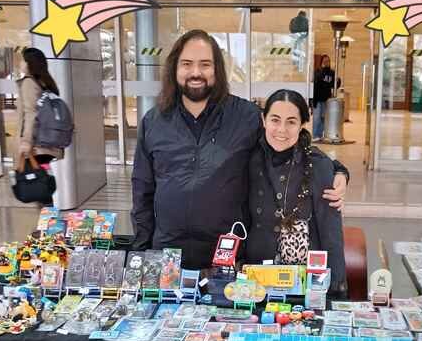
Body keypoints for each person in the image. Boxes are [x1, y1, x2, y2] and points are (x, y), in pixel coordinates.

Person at [131, 29, 348, 270]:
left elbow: (287, 143)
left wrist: (338, 170)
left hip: (225, 256)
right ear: (174, 69)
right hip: (166, 254)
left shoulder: (245, 117)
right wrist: (141, 252)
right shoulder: (153, 122)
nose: (195, 72)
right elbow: (142, 190)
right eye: (187, 64)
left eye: (205, 64)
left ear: (218, 70)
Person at [244, 89, 347, 296]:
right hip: (255, 277)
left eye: (291, 122)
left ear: (301, 125)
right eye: (275, 120)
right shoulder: (248, 158)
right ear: (263, 120)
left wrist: (336, 289)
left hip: (304, 282)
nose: (281, 129)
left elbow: (331, 233)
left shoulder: (317, 164)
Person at [16, 47, 67, 169]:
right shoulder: (46, 82)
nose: (20, 63)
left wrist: (26, 141)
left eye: (23, 60)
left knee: (31, 183)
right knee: (43, 183)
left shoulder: (29, 83)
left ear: (30, 63)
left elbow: (30, 113)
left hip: (35, 147)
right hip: (48, 145)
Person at [311, 55, 337, 141]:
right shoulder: (318, 71)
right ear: (322, 62)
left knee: (323, 118)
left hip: (326, 99)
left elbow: (334, 84)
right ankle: (315, 136)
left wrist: (338, 81)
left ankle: (320, 135)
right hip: (317, 99)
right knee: (316, 118)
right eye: (325, 61)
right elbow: (316, 82)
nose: (327, 63)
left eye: (328, 61)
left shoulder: (332, 73)